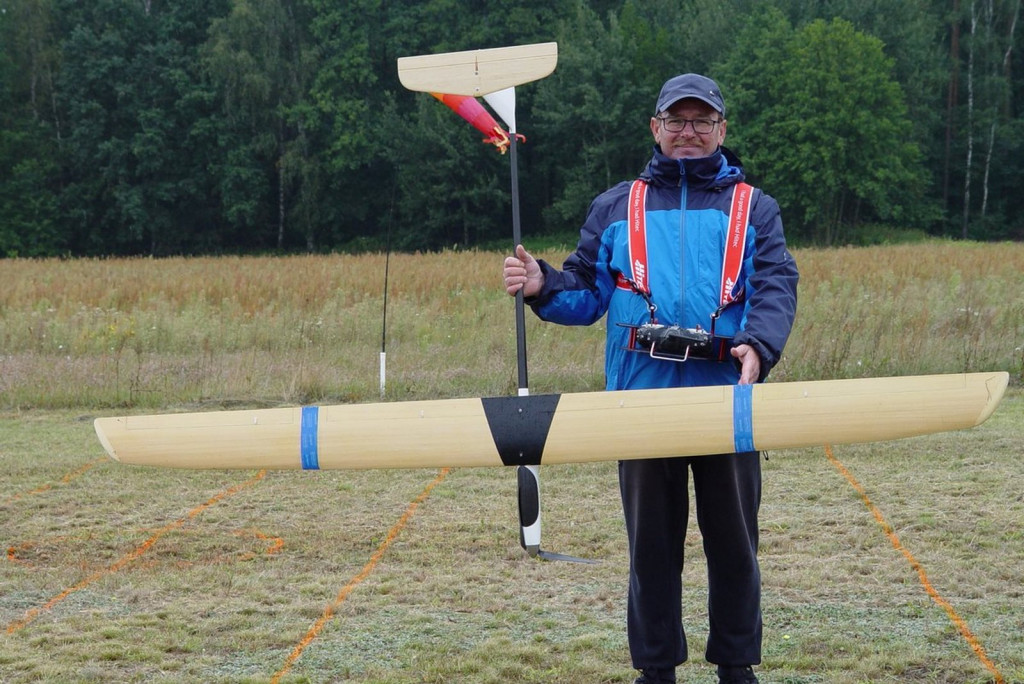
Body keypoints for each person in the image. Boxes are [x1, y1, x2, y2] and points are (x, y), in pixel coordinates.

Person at [502, 73, 798, 684]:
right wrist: (540, 286)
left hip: (727, 403)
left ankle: (736, 666)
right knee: (651, 550)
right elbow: (585, 292)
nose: (688, 131)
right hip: (640, 405)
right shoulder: (616, 205)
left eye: (701, 121)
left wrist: (760, 348)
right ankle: (655, 668)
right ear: (656, 128)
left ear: (722, 129)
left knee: (736, 546)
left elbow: (775, 285)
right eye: (677, 120)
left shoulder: (755, 208)